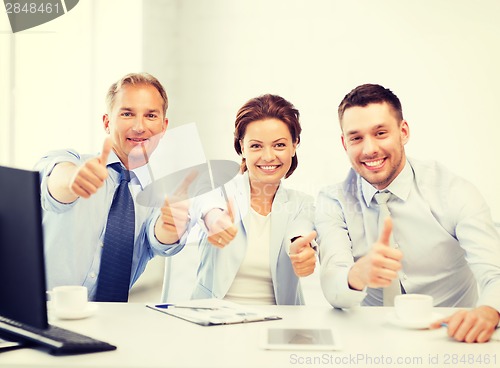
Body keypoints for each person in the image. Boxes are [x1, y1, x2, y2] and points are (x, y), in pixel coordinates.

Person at [316, 83, 500, 343]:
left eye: (380, 133)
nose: (369, 149)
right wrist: (358, 274)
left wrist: (489, 310)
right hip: (370, 341)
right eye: (356, 138)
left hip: (448, 338)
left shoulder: (454, 192)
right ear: (344, 143)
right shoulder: (333, 201)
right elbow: (332, 286)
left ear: (403, 132)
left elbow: (495, 273)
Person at [36, 72, 188, 302]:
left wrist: (172, 226)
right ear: (107, 122)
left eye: (151, 115)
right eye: (127, 114)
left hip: (107, 323)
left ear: (163, 126)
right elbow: (55, 184)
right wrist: (73, 180)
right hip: (43, 314)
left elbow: (161, 240)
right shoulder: (72, 162)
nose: (139, 127)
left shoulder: (160, 195)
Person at [153, 94, 317, 305]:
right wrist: (215, 219)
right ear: (242, 147)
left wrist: (300, 249)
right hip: (213, 321)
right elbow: (207, 205)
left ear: (294, 145)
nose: (268, 156)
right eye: (256, 146)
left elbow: (301, 230)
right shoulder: (216, 188)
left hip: (280, 323)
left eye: (279, 145)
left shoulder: (302, 203)